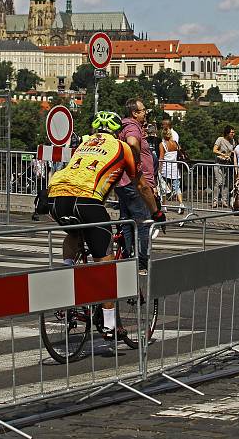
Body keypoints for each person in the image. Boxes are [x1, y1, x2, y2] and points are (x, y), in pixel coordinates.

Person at [48, 111, 160, 338]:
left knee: (74, 235)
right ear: (117, 132)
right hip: (87, 201)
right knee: (106, 264)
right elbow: (141, 186)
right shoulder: (122, 148)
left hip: (56, 199)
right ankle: (109, 325)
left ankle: (66, 272)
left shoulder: (84, 144)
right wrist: (156, 212)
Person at [116, 98, 157, 269]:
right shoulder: (132, 127)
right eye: (143, 110)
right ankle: (142, 261)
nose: (145, 112)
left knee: (126, 220)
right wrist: (138, 160)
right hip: (135, 182)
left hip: (123, 182)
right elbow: (132, 143)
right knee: (143, 222)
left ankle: (126, 257)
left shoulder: (124, 127)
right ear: (134, 113)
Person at [159, 128, 184, 214]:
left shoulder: (162, 144)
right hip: (175, 168)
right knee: (177, 187)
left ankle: (164, 205)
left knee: (163, 187)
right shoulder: (175, 144)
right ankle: (181, 204)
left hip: (165, 168)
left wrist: (159, 169)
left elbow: (161, 157)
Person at [212, 125, 236, 208]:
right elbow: (214, 150)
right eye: (231, 132)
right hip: (219, 163)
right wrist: (223, 154)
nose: (233, 134)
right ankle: (215, 201)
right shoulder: (220, 139)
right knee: (218, 182)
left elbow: (232, 151)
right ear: (227, 133)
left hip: (226, 164)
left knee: (226, 183)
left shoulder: (233, 141)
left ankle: (224, 200)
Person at [31, 157, 49, 221]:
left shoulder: (45, 160)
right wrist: (37, 174)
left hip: (43, 180)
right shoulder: (35, 161)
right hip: (38, 179)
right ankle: (36, 212)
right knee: (38, 196)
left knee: (41, 196)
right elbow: (34, 169)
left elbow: (48, 169)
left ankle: (38, 211)